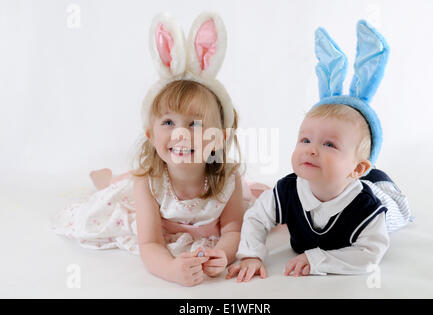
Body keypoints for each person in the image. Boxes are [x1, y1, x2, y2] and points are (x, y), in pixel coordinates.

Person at [54, 12, 247, 287]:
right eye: (168, 122)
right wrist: (170, 269)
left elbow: (232, 228)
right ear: (150, 135)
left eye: (194, 124)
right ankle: (106, 179)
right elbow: (149, 242)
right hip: (147, 196)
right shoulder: (148, 182)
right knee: (117, 189)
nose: (180, 134)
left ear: (218, 138)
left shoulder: (229, 179)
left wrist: (224, 254)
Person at [226, 20, 412, 282]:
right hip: (347, 177)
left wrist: (318, 259)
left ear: (358, 168)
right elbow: (256, 218)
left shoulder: (367, 209)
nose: (311, 150)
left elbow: (370, 254)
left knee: (398, 210)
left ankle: (377, 182)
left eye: (329, 144)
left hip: (381, 190)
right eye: (305, 140)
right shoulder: (287, 190)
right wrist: (251, 254)